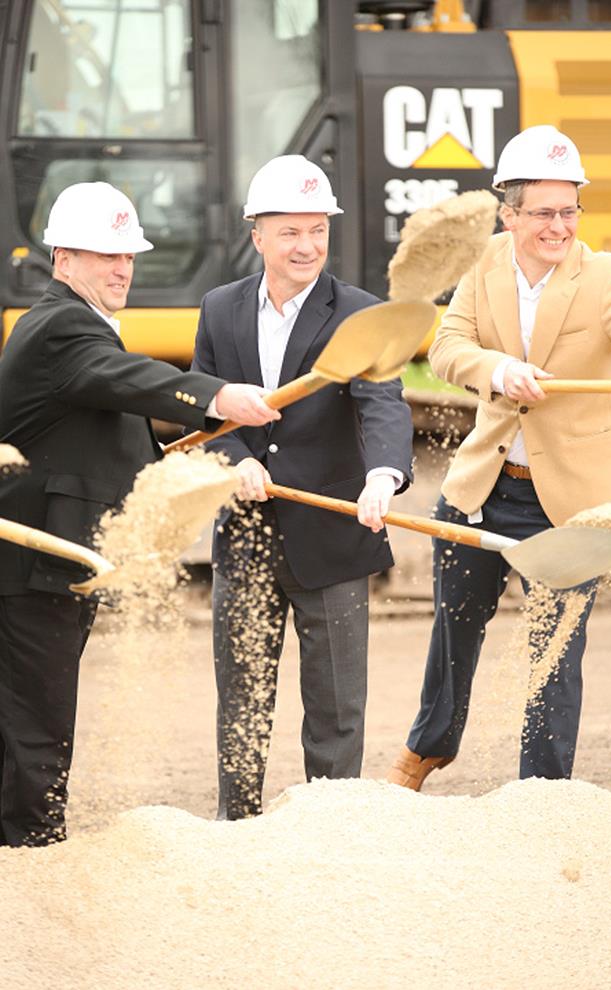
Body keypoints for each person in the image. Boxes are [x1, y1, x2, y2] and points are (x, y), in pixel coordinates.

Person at [0, 181, 280, 847]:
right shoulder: (65, 325)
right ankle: (32, 852)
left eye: (128, 256)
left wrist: (209, 469)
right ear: (63, 259)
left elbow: (108, 425)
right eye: (106, 256)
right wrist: (218, 396)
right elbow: (127, 378)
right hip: (39, 560)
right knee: (35, 719)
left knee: (24, 714)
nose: (123, 268)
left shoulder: (72, 326)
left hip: (54, 560)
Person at [386, 125, 611, 792]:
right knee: (454, 629)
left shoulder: (607, 275)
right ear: (508, 214)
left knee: (556, 650)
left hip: (571, 501)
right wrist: (499, 369)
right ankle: (427, 749)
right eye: (543, 212)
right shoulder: (483, 268)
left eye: (569, 211)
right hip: (484, 484)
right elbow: (447, 347)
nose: (559, 226)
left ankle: (543, 791)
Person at [191, 154, 413, 820]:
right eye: (290, 231)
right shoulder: (220, 309)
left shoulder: (359, 315)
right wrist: (233, 460)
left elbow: (383, 403)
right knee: (242, 701)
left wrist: (383, 474)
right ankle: (238, 828)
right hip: (247, 536)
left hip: (336, 536)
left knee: (337, 708)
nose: (307, 246)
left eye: (318, 230)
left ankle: (331, 831)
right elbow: (204, 409)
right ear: (256, 233)